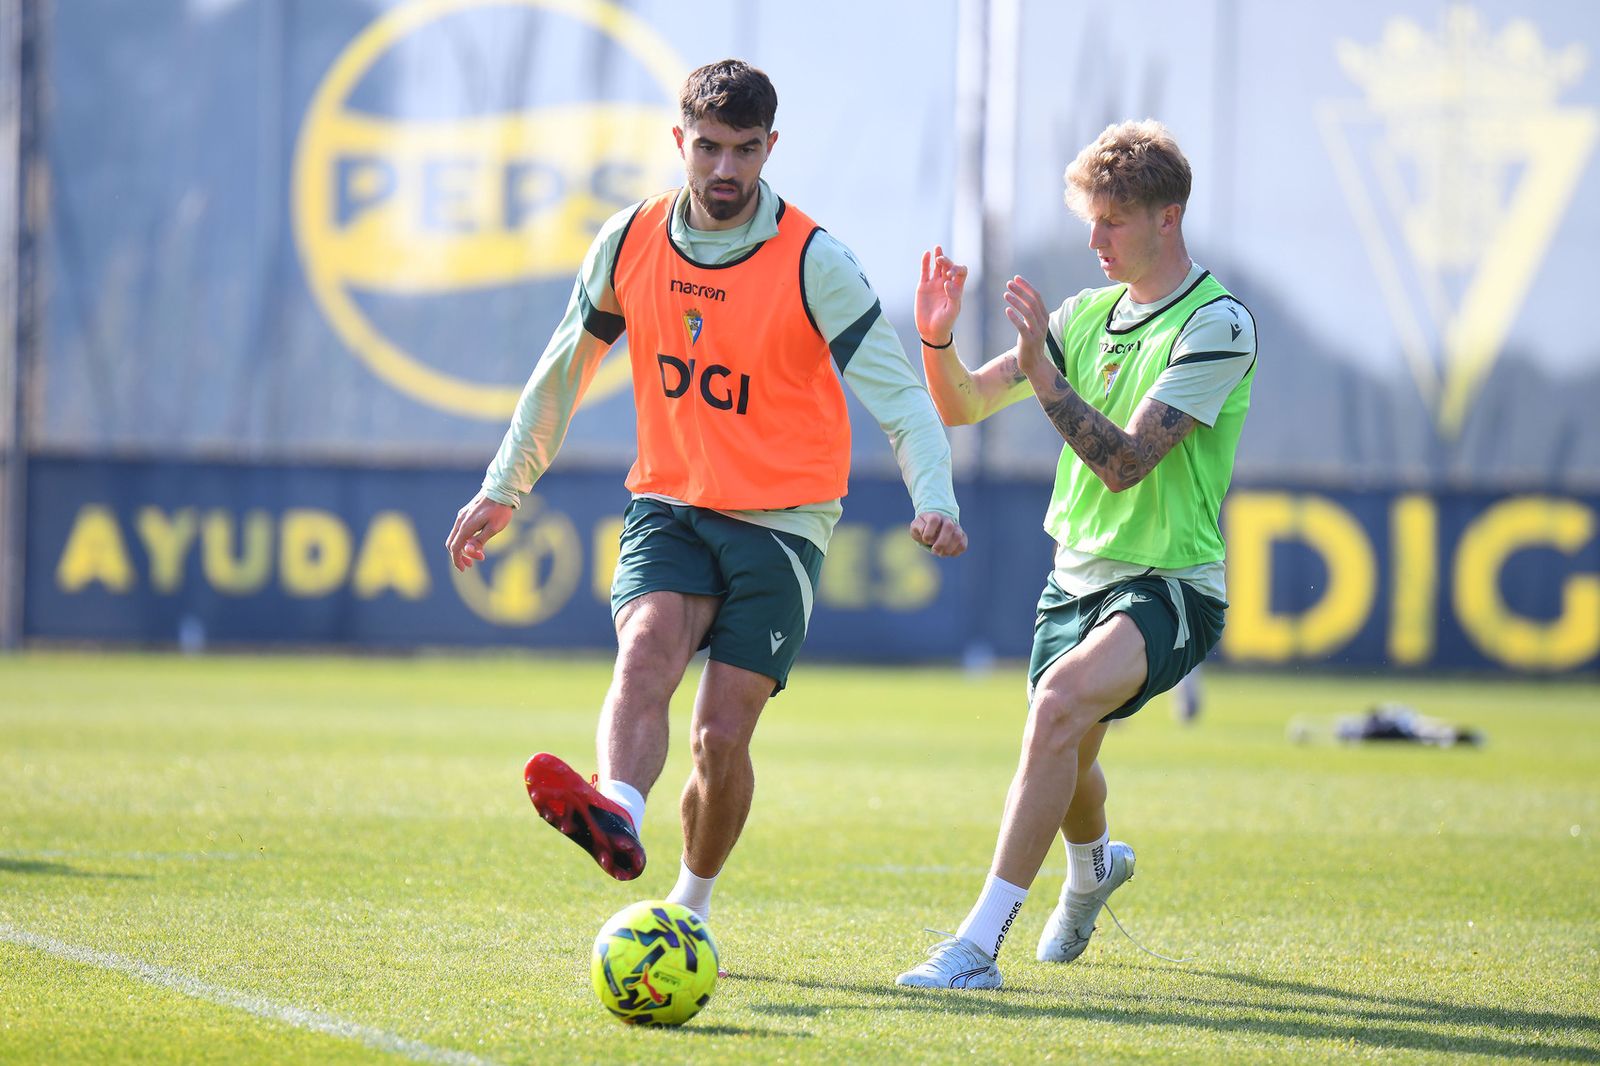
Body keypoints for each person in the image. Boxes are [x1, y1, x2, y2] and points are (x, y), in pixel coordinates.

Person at [445, 60, 967, 932]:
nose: (726, 170)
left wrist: (936, 496)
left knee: (721, 738)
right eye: (711, 148)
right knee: (645, 650)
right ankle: (616, 808)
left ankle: (690, 901)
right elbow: (561, 373)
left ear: (771, 148)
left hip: (782, 522)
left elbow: (902, 395)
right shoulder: (630, 240)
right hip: (672, 503)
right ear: (679, 141)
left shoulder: (814, 259)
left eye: (746, 150)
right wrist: (505, 488)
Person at [895, 119, 1256, 988]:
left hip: (1169, 585)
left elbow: (1127, 464)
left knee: (1056, 707)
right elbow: (964, 406)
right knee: (1072, 759)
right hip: (1075, 579)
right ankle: (1093, 869)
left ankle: (977, 947)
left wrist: (1047, 378)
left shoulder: (1217, 325)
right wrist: (938, 340)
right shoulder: (1082, 316)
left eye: (1112, 222)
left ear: (1167, 218)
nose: (1092, 240)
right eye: (1089, 220)